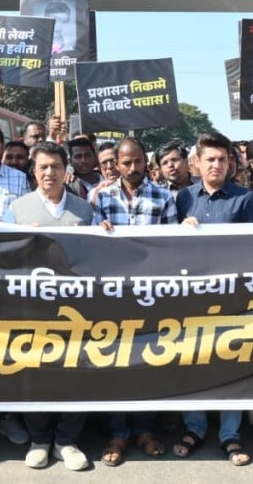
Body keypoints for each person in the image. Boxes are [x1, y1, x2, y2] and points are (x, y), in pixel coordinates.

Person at [174, 133, 253, 467]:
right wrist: (182, 230)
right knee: (192, 362)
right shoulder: (183, 198)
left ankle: (229, 434)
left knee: (230, 363)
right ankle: (194, 428)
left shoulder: (245, 199)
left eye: (223, 159)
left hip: (232, 296)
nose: (217, 165)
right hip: (191, 297)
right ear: (196, 163)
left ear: (231, 163)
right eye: (210, 159)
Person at [4, 141, 91, 471]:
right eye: (42, 167)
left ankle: (66, 441)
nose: (49, 172)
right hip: (32, 307)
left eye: (56, 166)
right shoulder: (16, 210)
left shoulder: (85, 210)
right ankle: (39, 439)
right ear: (34, 171)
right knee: (34, 372)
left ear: (66, 170)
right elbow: (2, 258)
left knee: (76, 372)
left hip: (75, 307)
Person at [90, 138, 174, 467]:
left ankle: (144, 430)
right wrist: (100, 231)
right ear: (116, 164)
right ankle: (119, 433)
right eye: (126, 163)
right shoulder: (102, 197)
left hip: (152, 296)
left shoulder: (164, 196)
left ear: (145, 161)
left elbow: (175, 247)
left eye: (138, 161)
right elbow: (92, 248)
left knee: (148, 365)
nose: (133, 168)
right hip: (114, 296)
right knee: (115, 365)